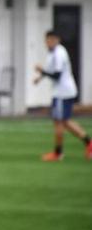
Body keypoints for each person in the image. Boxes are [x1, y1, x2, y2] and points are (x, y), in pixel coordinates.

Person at [34, 29, 92, 161]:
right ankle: (89, 143)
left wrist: (41, 71)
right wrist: (40, 77)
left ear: (57, 40)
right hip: (62, 92)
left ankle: (58, 153)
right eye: (47, 40)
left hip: (62, 93)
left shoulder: (59, 53)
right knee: (65, 121)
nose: (48, 43)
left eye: (50, 40)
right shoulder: (53, 53)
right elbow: (50, 71)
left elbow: (57, 75)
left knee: (59, 122)